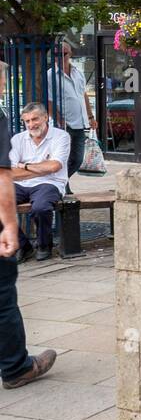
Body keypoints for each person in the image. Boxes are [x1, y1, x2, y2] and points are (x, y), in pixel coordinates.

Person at [0, 68, 57, 388]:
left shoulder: (58, 136)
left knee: (42, 201)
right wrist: (9, 224)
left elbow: (54, 167)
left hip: (45, 186)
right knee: (1, 296)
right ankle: (16, 367)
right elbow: (3, 174)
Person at [10, 103, 70, 263]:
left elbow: (55, 166)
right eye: (27, 121)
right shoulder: (17, 139)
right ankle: (23, 246)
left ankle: (44, 245)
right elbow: (9, 172)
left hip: (50, 183)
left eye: (35, 119)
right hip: (21, 184)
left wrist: (26, 165)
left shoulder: (61, 136)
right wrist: (42, 167)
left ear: (45, 117)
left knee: (41, 208)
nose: (31, 124)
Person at [51, 40, 98, 184]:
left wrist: (91, 117)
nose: (60, 56)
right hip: (65, 124)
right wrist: (60, 120)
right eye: (56, 54)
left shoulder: (78, 73)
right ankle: (61, 185)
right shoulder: (51, 75)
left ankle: (61, 183)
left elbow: (83, 95)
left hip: (80, 122)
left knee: (77, 159)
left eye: (63, 53)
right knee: (64, 159)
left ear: (70, 54)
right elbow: (50, 101)